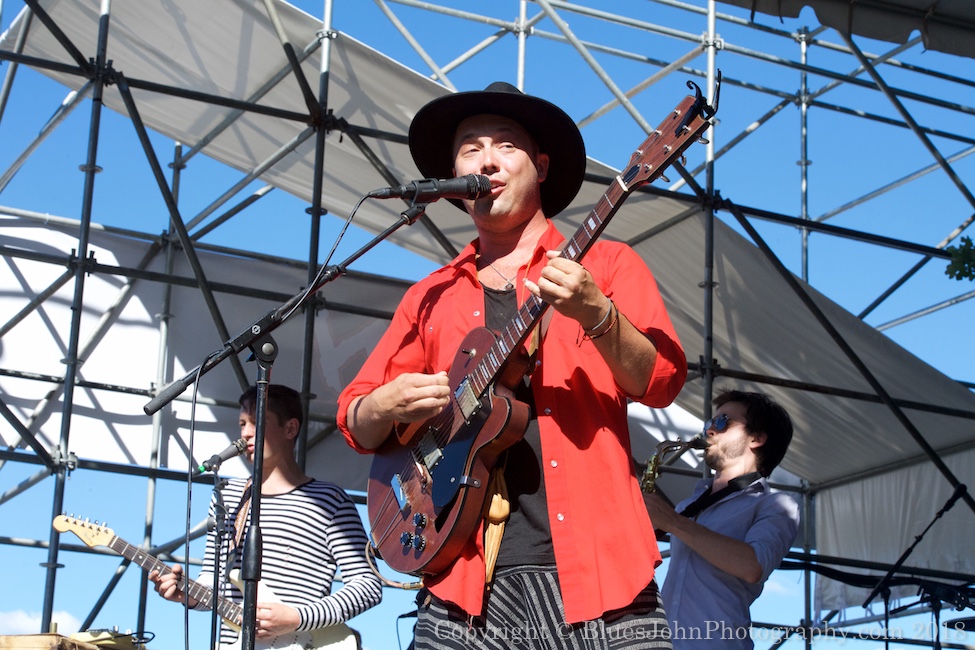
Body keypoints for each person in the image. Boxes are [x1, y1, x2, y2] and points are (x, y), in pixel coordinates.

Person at [337, 81, 686, 648]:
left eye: (505, 145)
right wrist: (378, 405)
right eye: (470, 149)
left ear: (542, 166)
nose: (487, 159)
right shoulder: (430, 295)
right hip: (459, 581)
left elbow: (660, 381)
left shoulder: (609, 264)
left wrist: (598, 314)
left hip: (601, 581)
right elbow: (356, 420)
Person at [150, 384, 382, 648]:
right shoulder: (228, 496)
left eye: (257, 422)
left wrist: (297, 617)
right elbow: (212, 580)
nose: (245, 433)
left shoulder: (330, 500)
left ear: (290, 429)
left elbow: (368, 585)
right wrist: (186, 594)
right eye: (241, 424)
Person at [644, 389, 800, 649]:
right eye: (709, 423)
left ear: (757, 438)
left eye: (722, 422)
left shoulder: (777, 505)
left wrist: (674, 523)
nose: (710, 431)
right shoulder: (687, 506)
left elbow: (753, 567)